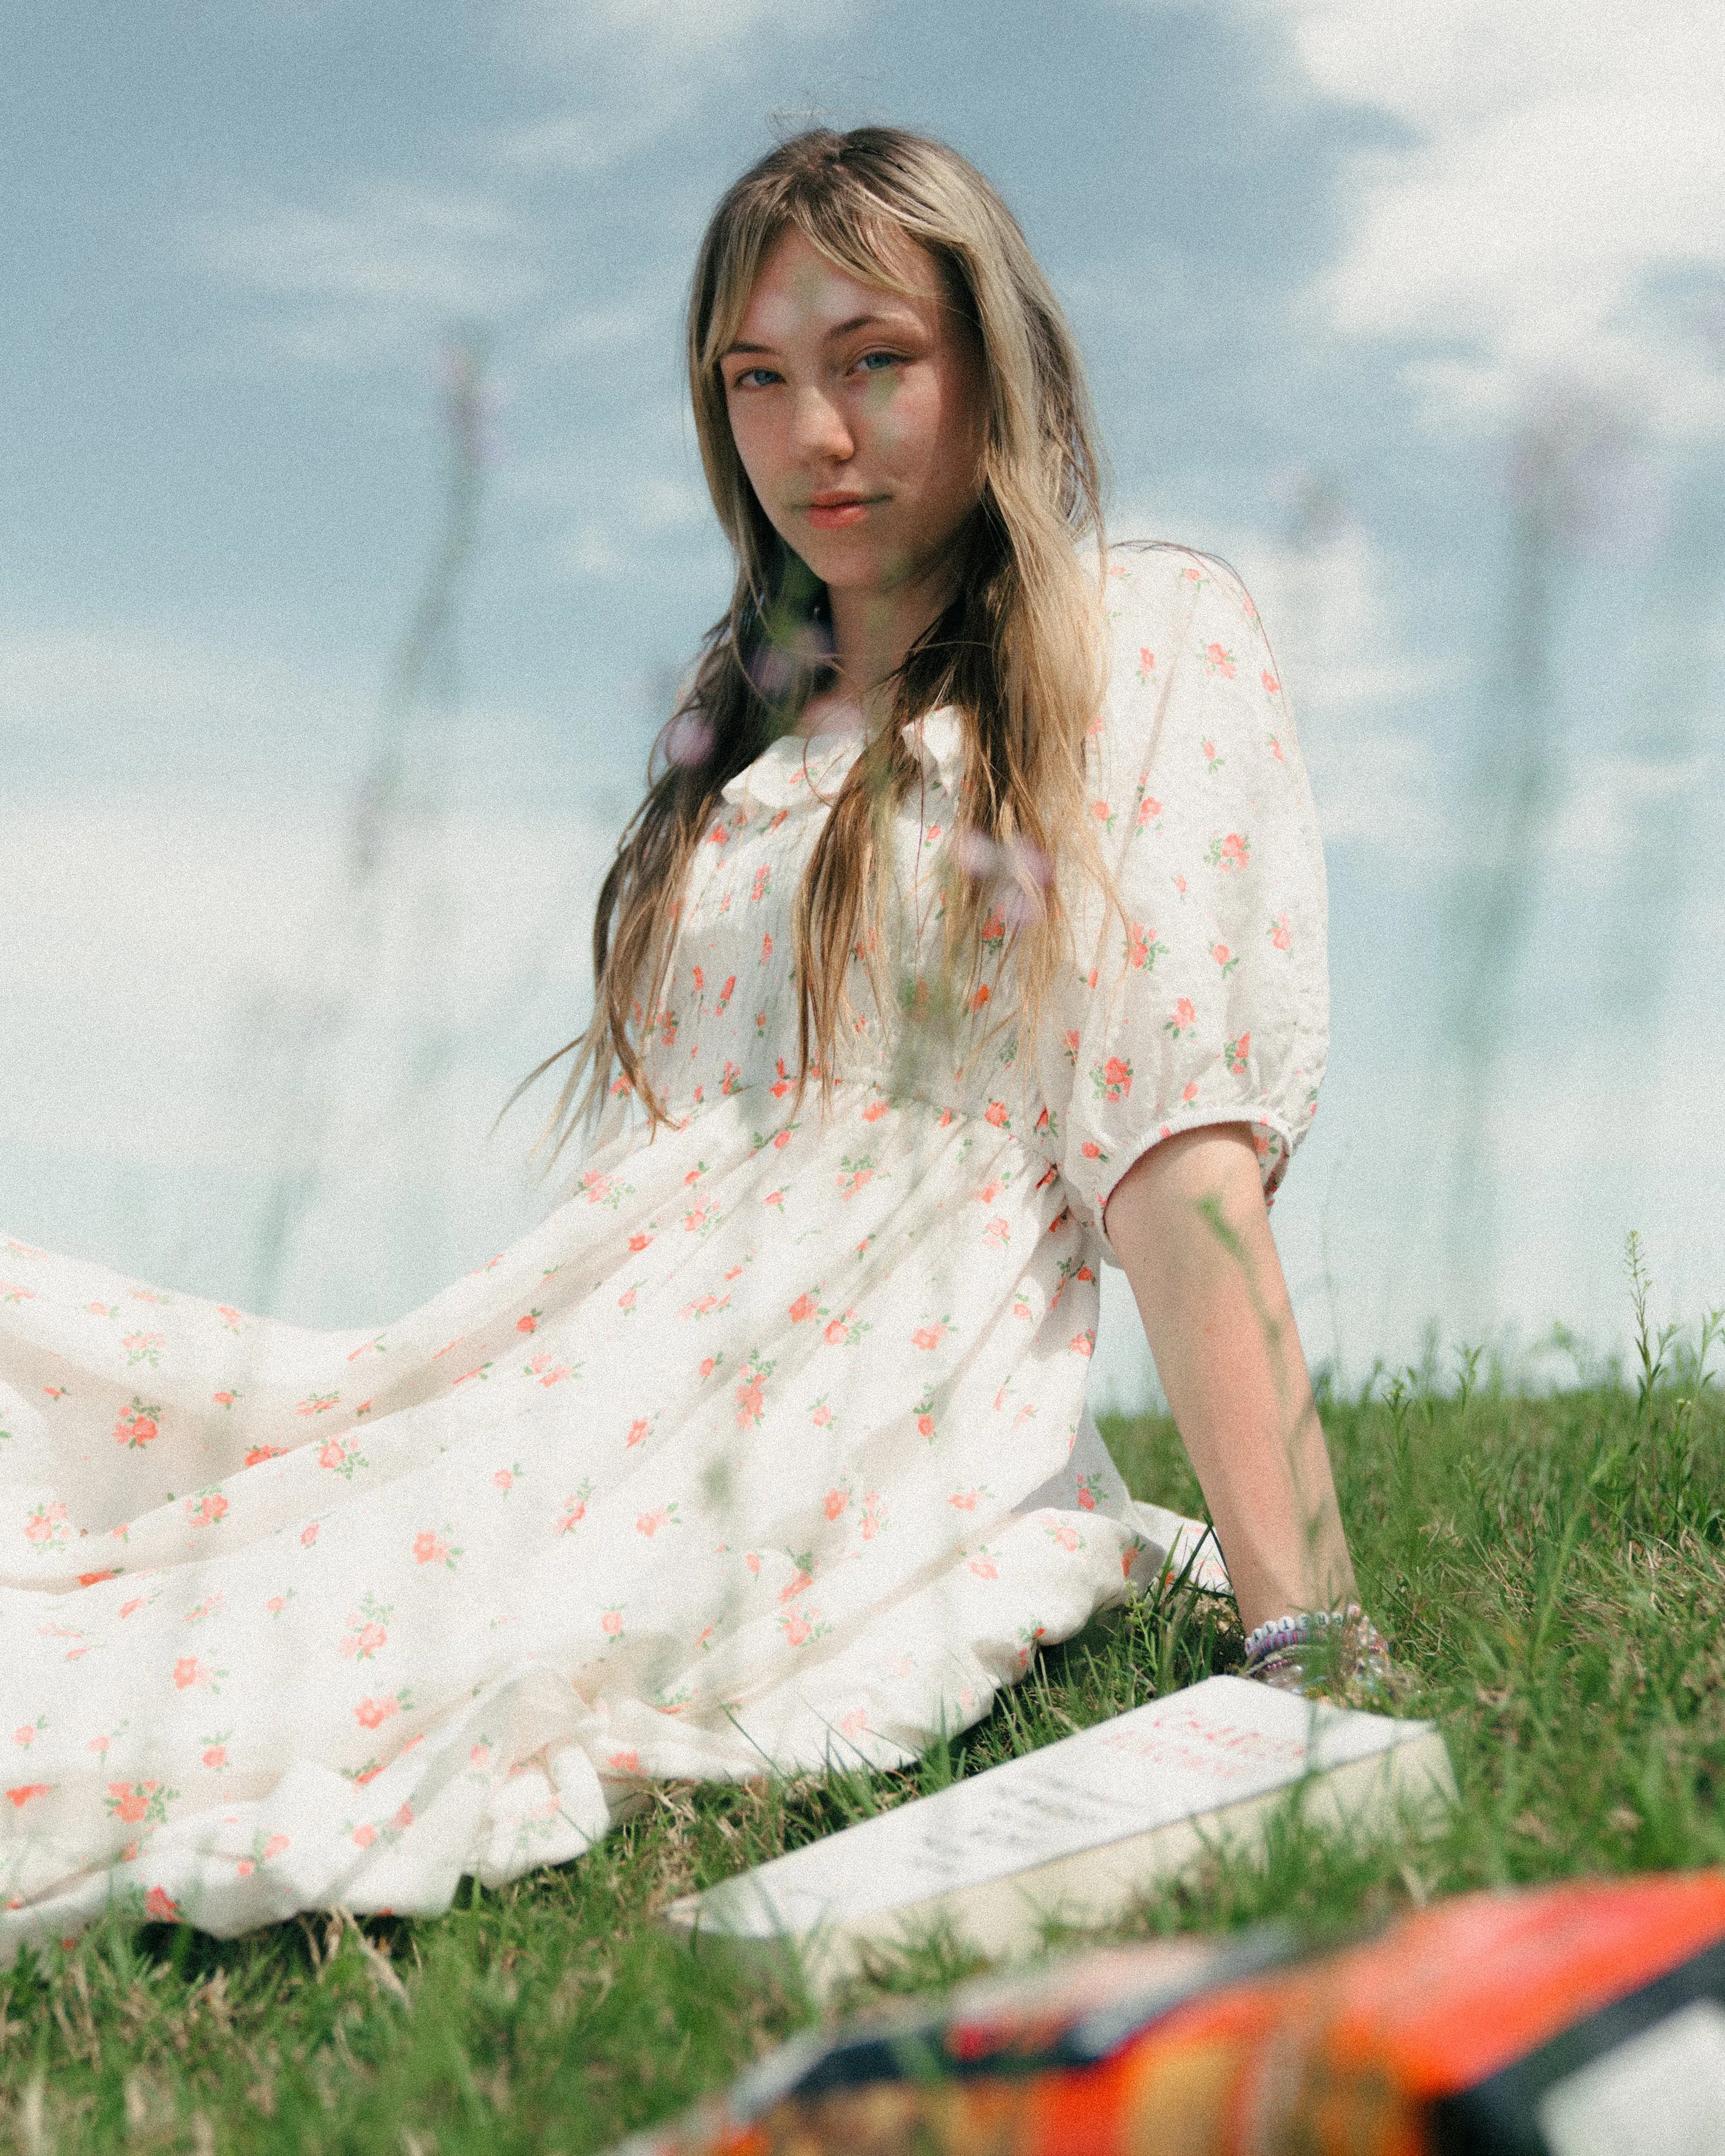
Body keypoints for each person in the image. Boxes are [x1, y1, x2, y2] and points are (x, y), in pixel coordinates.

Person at [0, 127, 1381, 1958]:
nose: (815, 433)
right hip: (598, 1354)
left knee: (267, 1692)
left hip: (865, 1398)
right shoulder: (737, 731)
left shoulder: (1134, 637)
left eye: (874, 361)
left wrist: (1305, 1630)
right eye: (759, 382)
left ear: (994, 361)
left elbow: (1170, 1140)